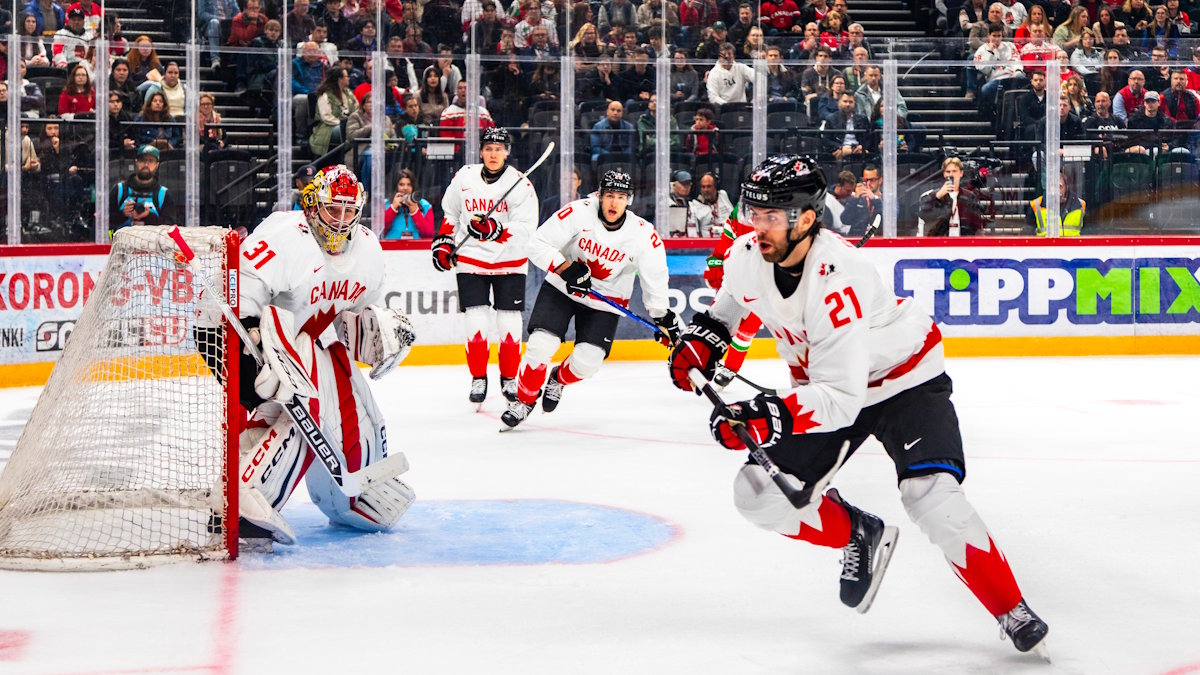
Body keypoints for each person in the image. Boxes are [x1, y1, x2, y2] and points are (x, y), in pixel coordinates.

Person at [666, 154, 1049, 655]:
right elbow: (732, 305)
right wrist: (705, 340)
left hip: (903, 380)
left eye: (770, 216)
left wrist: (765, 416)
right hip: (829, 385)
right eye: (753, 213)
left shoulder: (837, 277)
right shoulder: (747, 253)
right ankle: (858, 534)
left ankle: (1010, 607)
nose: (757, 226)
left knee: (931, 497)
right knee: (757, 494)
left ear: (806, 218)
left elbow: (842, 402)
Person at [230, 164, 417, 547]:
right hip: (271, 349)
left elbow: (355, 317)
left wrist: (377, 332)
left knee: (359, 416)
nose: (341, 220)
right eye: (333, 209)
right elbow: (238, 304)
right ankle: (250, 492)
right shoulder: (285, 235)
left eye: (350, 210)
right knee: (305, 413)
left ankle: (349, 498)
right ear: (313, 205)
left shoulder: (367, 248)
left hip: (319, 348)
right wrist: (252, 361)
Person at [501, 170, 680, 429]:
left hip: (605, 301)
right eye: (609, 195)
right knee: (540, 346)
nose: (614, 202)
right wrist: (565, 268)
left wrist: (661, 315)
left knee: (588, 361)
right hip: (562, 288)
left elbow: (655, 276)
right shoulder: (578, 212)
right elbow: (537, 243)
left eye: (621, 197)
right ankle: (523, 400)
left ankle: (558, 379)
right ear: (599, 195)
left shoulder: (642, 233)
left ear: (629, 200)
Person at [432, 128, 540, 406]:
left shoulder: (520, 184)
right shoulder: (464, 177)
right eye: (489, 148)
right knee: (475, 321)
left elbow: (527, 229)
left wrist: (496, 230)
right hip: (471, 257)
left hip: (510, 260)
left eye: (499, 149)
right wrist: (444, 242)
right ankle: (478, 377)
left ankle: (509, 378)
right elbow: (451, 213)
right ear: (481, 151)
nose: (493, 154)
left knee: (509, 323)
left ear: (507, 152)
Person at [108, 145, 177, 232]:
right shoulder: (119, 190)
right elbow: (103, 220)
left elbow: (170, 227)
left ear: (157, 165)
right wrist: (122, 214)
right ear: (136, 162)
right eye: (142, 160)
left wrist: (148, 216)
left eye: (151, 161)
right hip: (121, 239)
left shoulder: (163, 194)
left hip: (152, 240)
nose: (146, 165)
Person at [918, 156, 993, 236]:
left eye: (954, 171)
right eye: (948, 171)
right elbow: (924, 216)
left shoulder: (969, 196)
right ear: (944, 174)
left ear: (961, 173)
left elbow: (977, 224)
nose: (951, 174)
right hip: (939, 241)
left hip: (962, 241)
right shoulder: (929, 196)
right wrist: (938, 196)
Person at [383, 169, 433, 239]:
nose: (405, 188)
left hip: (417, 245)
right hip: (390, 244)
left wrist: (415, 212)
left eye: (409, 184)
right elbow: (378, 231)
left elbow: (429, 234)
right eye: (401, 184)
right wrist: (393, 208)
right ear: (396, 186)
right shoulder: (385, 204)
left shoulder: (425, 205)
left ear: (413, 187)